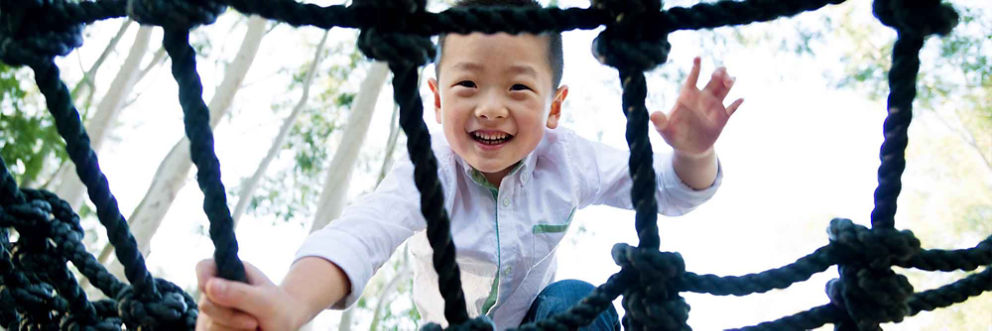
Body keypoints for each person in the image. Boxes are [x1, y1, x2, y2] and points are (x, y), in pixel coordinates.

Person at [195, 0, 742, 329]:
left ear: (554, 106)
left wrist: (693, 150)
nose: (490, 106)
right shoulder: (429, 168)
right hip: (453, 326)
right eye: (467, 84)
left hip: (543, 321)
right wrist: (291, 303)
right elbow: (361, 236)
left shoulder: (567, 159)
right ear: (436, 99)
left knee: (578, 296)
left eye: (519, 87)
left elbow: (669, 191)